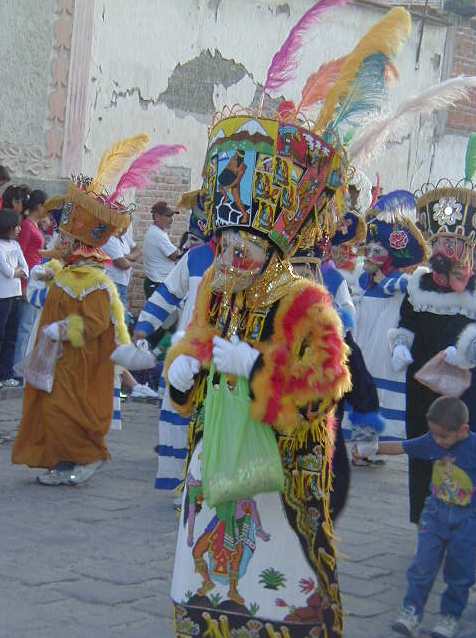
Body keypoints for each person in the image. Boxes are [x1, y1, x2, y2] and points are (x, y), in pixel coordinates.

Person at [164, 104, 352, 636]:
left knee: (278, 585)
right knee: (206, 580)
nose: (230, 255)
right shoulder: (214, 288)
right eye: (224, 243)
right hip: (215, 459)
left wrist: (258, 368)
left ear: (271, 246)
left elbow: (327, 385)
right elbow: (199, 345)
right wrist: (184, 371)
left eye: (243, 246)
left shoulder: (306, 300)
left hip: (281, 470)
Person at [11, 171, 132, 486]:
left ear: (79, 243)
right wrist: (44, 279)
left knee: (66, 411)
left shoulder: (94, 281)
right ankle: (61, 461)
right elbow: (51, 295)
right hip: (55, 357)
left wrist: (62, 330)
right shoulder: (69, 273)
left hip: (75, 360)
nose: (59, 242)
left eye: (66, 238)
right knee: (49, 409)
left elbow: (93, 323)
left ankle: (86, 457)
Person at [390, 171, 476, 524]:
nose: (444, 250)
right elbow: (406, 322)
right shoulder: (418, 283)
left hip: (467, 388)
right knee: (425, 444)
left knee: (463, 448)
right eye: (439, 242)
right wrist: (400, 346)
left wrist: (469, 352)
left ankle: (464, 517)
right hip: (423, 383)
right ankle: (426, 516)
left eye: (451, 244)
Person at [359, 396, 476, 638]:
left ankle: (449, 616)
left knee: (460, 573)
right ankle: (411, 612)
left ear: (464, 429)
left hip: (468, 521)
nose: (437, 441)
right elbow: (403, 447)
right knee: (422, 566)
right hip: (434, 515)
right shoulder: (434, 441)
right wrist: (372, 448)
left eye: (444, 436)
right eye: (434, 434)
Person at [134, 191, 214, 494]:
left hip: (224, 356)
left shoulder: (253, 262)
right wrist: (142, 329)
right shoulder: (196, 257)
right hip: (186, 352)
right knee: (180, 418)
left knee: (213, 422)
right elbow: (167, 294)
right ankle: (183, 484)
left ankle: (207, 486)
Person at [353, 191, 428, 442]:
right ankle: (360, 441)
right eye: (368, 248)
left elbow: (415, 284)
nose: (369, 254)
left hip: (384, 353)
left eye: (377, 250)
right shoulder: (361, 284)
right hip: (363, 347)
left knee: (381, 394)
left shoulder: (399, 284)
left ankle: (375, 441)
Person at [14, 190, 49, 369]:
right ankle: (18, 365)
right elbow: (21, 253)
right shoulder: (28, 225)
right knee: (25, 326)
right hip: (28, 279)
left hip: (36, 278)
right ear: (38, 206)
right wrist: (24, 281)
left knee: (29, 325)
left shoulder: (34, 225)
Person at [0, 210, 28, 388]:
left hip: (15, 294)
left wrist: (17, 271)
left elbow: (25, 269)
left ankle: (6, 373)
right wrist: (16, 271)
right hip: (2, 296)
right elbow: (8, 272)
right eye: (16, 226)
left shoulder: (16, 246)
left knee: (11, 336)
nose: (19, 229)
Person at [142, 200, 180, 298]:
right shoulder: (158, 235)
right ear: (157, 217)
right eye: (168, 216)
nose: (171, 220)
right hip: (158, 283)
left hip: (156, 282)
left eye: (172, 216)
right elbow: (175, 256)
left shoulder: (156, 232)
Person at [102, 228, 140, 310]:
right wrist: (133, 262)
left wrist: (128, 257)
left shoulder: (124, 235)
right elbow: (123, 264)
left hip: (123, 283)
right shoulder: (109, 238)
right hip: (113, 282)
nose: (125, 228)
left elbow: (137, 250)